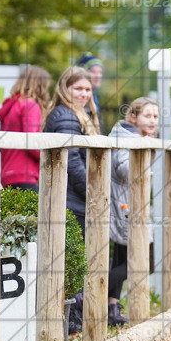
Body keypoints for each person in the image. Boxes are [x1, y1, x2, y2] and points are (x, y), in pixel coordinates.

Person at [107, 97, 159, 327]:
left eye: (156, 117)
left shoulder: (133, 136)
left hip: (127, 205)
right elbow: (124, 169)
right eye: (148, 116)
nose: (153, 120)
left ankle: (111, 306)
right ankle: (89, 296)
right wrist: (145, 146)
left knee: (121, 255)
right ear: (133, 117)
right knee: (142, 257)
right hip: (123, 206)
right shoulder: (127, 138)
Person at [43, 66, 99, 238]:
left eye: (88, 89)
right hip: (71, 202)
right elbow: (71, 162)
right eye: (78, 89)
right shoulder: (67, 117)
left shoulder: (71, 113)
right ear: (65, 89)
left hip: (70, 200)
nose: (84, 94)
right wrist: (93, 192)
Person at [0, 65, 51, 192]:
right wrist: (50, 155)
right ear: (40, 85)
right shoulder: (30, 105)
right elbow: (32, 143)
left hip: (8, 173)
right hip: (25, 174)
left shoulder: (12, 105)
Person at [76, 54, 104, 131]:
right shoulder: (81, 99)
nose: (97, 76)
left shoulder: (95, 97)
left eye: (100, 72)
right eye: (93, 72)